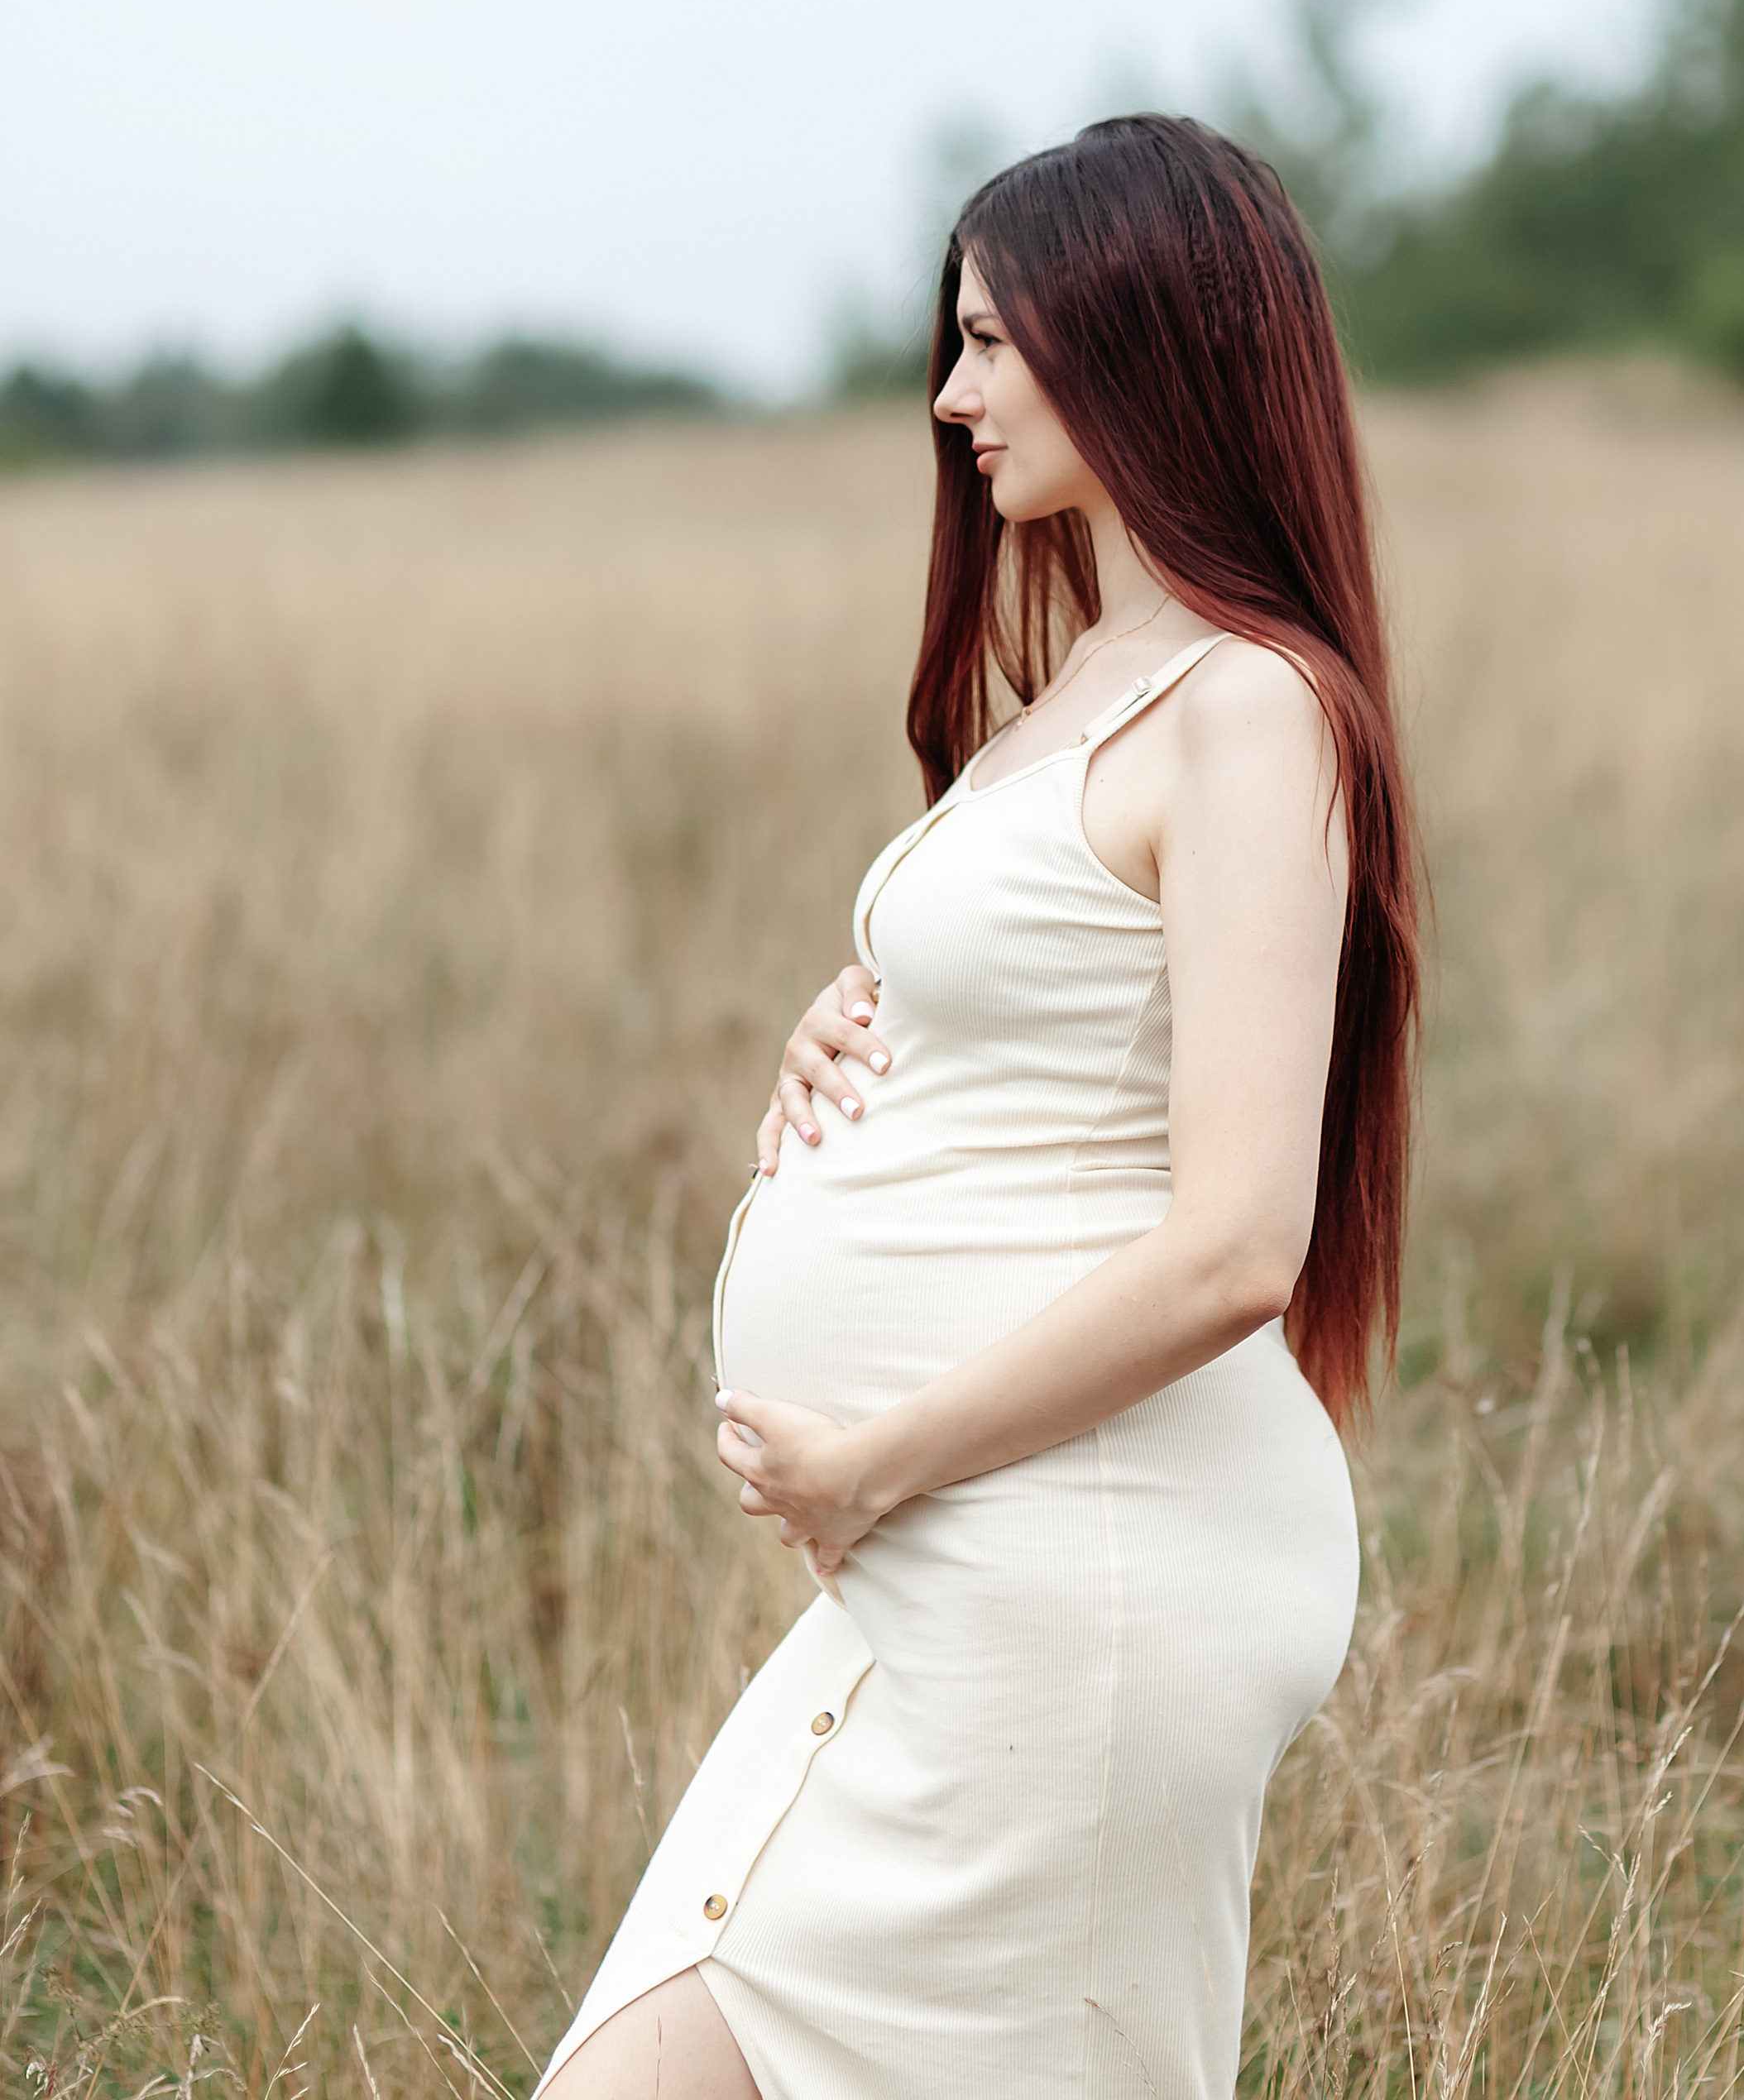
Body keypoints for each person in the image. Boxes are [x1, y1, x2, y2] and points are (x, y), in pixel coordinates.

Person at [536, 113, 1421, 2100]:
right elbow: (1062, 1008)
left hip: (1083, 1565)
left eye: (996, 342)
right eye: (959, 340)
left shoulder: (1249, 708)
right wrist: (859, 1033)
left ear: (1146, 339)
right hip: (969, 1563)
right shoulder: (1094, 674)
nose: (950, 395)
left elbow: (1236, 1245)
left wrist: (877, 1465)